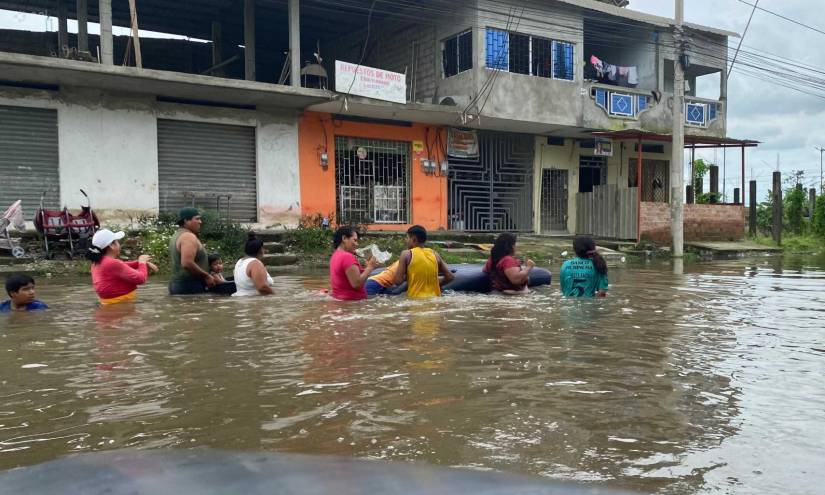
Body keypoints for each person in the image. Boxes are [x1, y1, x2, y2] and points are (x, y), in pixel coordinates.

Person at [88, 229, 158, 305]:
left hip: (108, 304)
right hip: (121, 304)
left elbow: (123, 266)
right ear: (111, 245)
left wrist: (141, 263)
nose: (119, 244)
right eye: (117, 241)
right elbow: (141, 279)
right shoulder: (112, 263)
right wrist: (142, 263)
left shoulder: (97, 261)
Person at [392, 225, 454, 299]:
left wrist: (408, 276)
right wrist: (438, 283)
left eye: (407, 238)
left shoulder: (406, 254)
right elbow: (450, 277)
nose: (406, 240)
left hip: (415, 301)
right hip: (434, 300)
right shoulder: (434, 254)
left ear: (414, 239)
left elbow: (397, 281)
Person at [168, 207, 218, 295]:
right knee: (195, 309)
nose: (200, 222)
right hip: (189, 286)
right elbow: (187, 263)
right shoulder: (188, 237)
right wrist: (206, 276)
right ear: (186, 221)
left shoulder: (177, 235)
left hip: (179, 284)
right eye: (197, 219)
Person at [329, 226, 378, 301]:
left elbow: (347, 278)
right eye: (354, 240)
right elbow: (356, 284)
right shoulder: (347, 257)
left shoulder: (335, 255)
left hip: (341, 301)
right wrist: (370, 267)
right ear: (344, 238)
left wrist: (367, 267)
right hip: (353, 304)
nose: (356, 244)